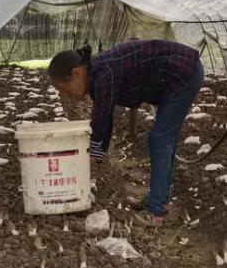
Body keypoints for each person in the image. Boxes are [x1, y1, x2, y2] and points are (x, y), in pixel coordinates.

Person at [48, 40, 205, 225]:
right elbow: (102, 116)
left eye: (64, 89)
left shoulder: (104, 73)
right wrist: (97, 153)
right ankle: (158, 197)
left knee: (160, 140)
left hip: (184, 72)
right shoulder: (97, 74)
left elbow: (102, 119)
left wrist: (88, 156)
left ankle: (155, 212)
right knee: (164, 140)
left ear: (77, 73)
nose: (66, 94)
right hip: (174, 74)